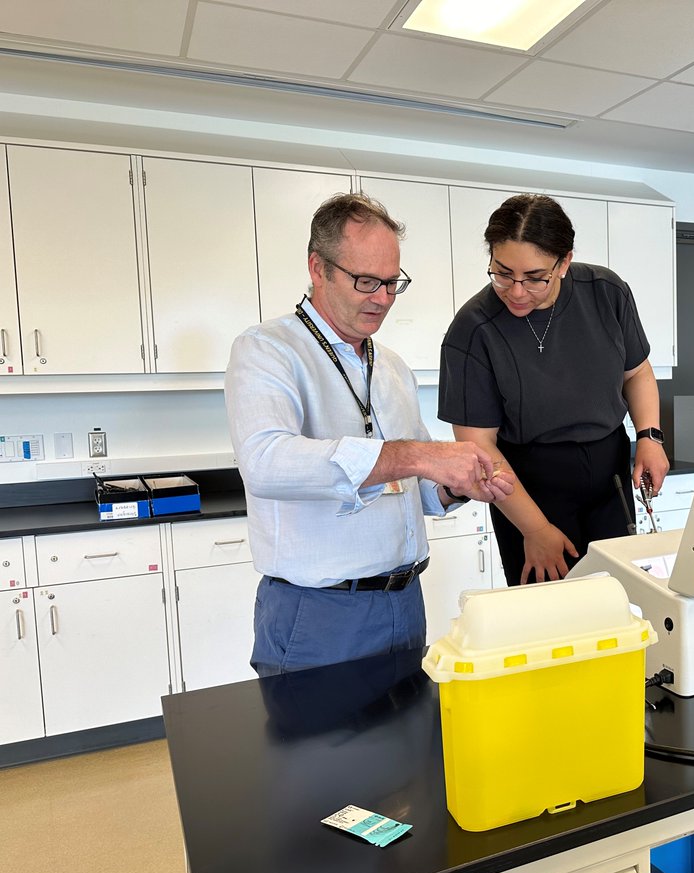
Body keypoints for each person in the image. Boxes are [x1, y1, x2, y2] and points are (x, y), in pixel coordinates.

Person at [226, 193, 513, 676]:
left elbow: (414, 486)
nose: (382, 298)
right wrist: (416, 456)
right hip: (319, 613)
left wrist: (453, 486)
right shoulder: (267, 351)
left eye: (391, 283)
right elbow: (266, 463)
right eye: (366, 281)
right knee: (317, 753)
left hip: (404, 604)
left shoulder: (392, 367)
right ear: (318, 268)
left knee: (404, 749)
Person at [438, 194, 669, 585]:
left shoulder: (606, 291)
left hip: (608, 472)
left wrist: (649, 436)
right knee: (549, 614)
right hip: (526, 485)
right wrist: (534, 530)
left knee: (618, 599)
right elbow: (479, 446)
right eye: (502, 273)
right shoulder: (474, 329)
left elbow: (637, 372)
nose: (515, 291)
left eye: (534, 278)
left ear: (564, 262)